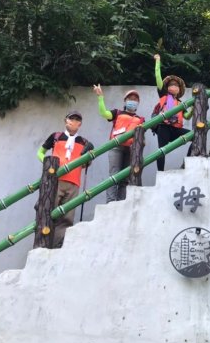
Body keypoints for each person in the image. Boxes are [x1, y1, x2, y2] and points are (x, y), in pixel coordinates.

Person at [37, 110, 93, 248]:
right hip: (55, 180)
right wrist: (48, 164)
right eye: (71, 118)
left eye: (76, 120)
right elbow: (40, 152)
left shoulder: (84, 141)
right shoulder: (56, 136)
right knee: (48, 211)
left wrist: (89, 156)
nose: (73, 122)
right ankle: (43, 244)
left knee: (66, 218)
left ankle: (57, 246)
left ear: (79, 124)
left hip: (74, 183)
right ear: (65, 120)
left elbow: (85, 164)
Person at [92, 85, 145, 202]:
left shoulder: (141, 119)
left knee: (125, 178)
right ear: (125, 101)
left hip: (131, 149)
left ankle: (121, 202)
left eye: (135, 99)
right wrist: (100, 97)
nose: (133, 101)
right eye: (130, 99)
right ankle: (110, 202)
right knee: (113, 175)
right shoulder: (117, 113)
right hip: (116, 147)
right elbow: (104, 113)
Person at [152, 53, 194, 171]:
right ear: (167, 87)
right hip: (164, 127)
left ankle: (187, 163)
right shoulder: (164, 95)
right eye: (171, 85)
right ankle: (160, 172)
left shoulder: (181, 103)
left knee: (196, 136)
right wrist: (158, 61)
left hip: (176, 128)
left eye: (176, 85)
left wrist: (192, 109)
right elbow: (158, 77)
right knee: (161, 150)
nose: (173, 87)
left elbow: (186, 116)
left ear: (179, 89)